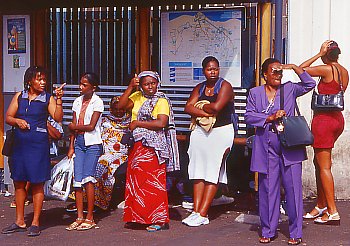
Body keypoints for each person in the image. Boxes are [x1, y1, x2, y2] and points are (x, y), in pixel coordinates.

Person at [245, 58, 315, 245]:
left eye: (279, 71)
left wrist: (293, 67)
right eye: (273, 71)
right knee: (268, 189)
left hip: (290, 144)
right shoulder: (255, 92)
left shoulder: (289, 88)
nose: (277, 75)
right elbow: (249, 116)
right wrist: (269, 117)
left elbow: (310, 83)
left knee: (293, 188)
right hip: (266, 146)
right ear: (265, 74)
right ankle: (268, 229)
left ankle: (295, 231)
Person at [1, 66, 64, 237]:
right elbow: (8, 117)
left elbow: (58, 117)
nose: (43, 82)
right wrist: (17, 121)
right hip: (20, 146)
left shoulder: (47, 98)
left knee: (37, 183)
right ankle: (19, 220)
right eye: (39, 79)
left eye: (44, 79)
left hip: (38, 145)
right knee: (19, 182)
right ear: (29, 81)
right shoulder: (19, 96)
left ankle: (35, 222)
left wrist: (58, 99)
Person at [118, 71, 180, 232]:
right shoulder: (137, 96)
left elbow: (161, 123)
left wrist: (137, 123)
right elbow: (120, 106)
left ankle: (158, 220)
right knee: (136, 182)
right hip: (137, 146)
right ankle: (137, 218)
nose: (150, 86)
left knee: (153, 183)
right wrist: (131, 87)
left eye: (153, 83)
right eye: (146, 84)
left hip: (154, 147)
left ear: (157, 83)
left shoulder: (161, 100)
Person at [182, 56, 235, 227]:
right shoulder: (200, 87)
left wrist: (200, 106)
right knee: (197, 169)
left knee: (213, 170)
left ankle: (204, 213)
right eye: (209, 69)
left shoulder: (225, 86)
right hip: (200, 131)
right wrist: (206, 111)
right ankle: (196, 211)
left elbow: (217, 107)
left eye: (216, 68)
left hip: (221, 132)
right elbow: (187, 107)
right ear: (203, 70)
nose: (213, 72)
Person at [300, 40, 348, 225]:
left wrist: (318, 54)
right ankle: (320, 205)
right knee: (319, 163)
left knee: (324, 166)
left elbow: (301, 70)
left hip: (324, 121)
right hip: (337, 119)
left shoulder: (326, 69)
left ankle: (332, 210)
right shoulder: (343, 72)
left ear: (327, 54)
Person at [65, 72, 104, 231]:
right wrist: (71, 146)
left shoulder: (98, 102)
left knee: (88, 178)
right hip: (79, 143)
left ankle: (90, 216)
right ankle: (79, 216)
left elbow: (91, 126)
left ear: (93, 87)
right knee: (78, 179)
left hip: (92, 143)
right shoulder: (77, 101)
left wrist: (73, 127)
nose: (81, 87)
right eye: (80, 84)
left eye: (84, 85)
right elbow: (74, 125)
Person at [94, 96, 130, 210]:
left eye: (121, 109)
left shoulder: (130, 121)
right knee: (99, 166)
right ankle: (95, 201)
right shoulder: (104, 121)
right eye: (116, 109)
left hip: (123, 155)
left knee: (108, 168)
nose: (119, 111)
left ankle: (105, 202)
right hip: (106, 153)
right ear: (111, 109)